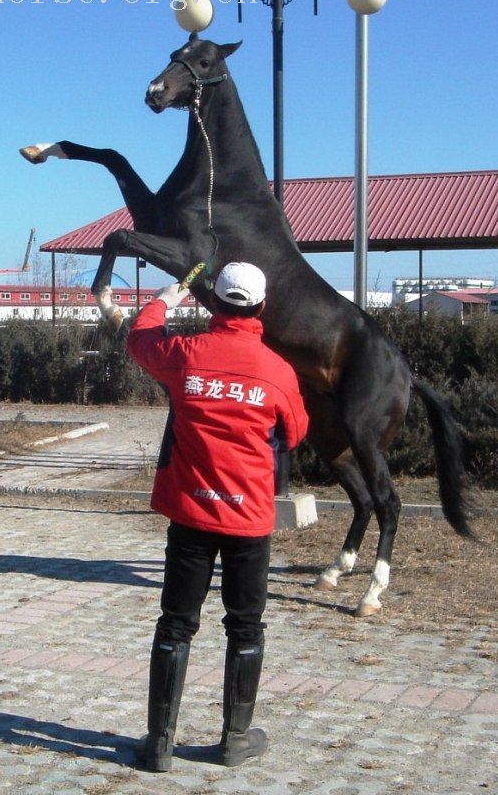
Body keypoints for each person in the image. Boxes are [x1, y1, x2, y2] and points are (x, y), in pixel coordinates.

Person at [126, 262, 309, 772]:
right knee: (246, 627)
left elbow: (140, 338)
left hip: (190, 515)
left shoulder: (184, 355)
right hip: (248, 520)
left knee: (175, 625)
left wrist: (166, 299)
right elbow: (294, 432)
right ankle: (235, 739)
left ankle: (159, 744)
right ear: (260, 307)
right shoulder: (277, 371)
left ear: (216, 305)